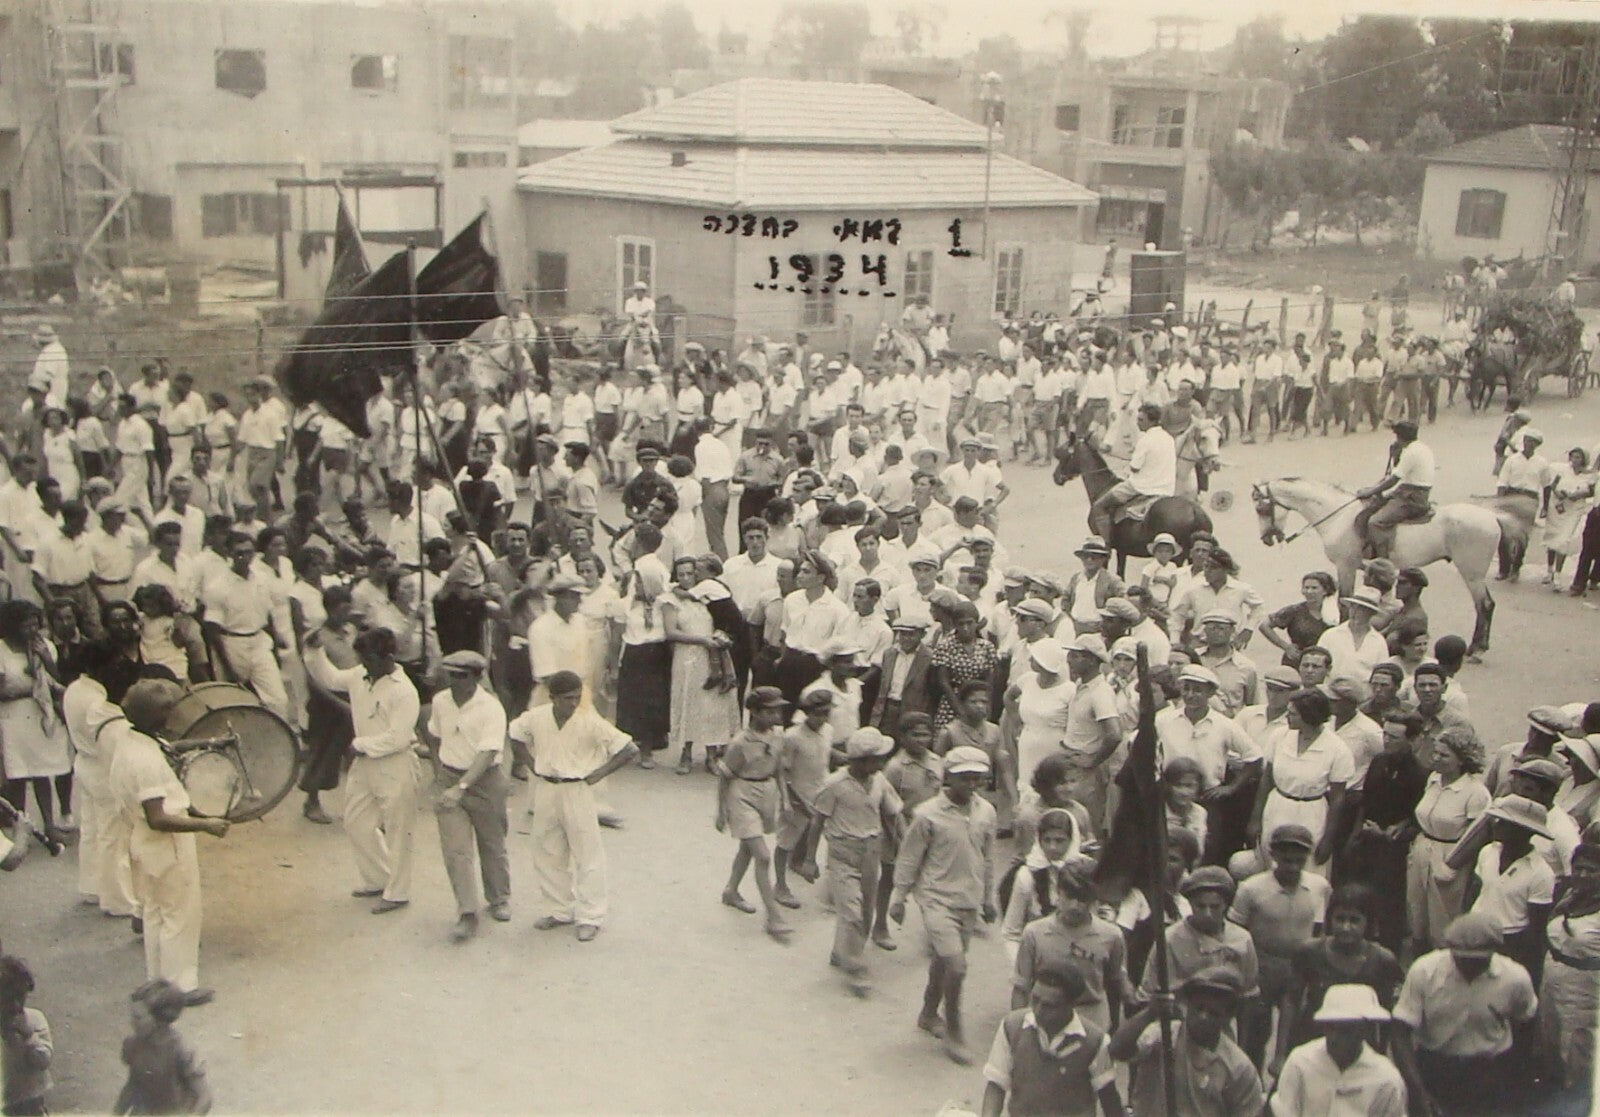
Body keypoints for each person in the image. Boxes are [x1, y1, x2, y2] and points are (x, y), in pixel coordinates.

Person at [108, 680, 229, 1005]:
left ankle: (157, 982)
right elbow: (158, 818)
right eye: (168, 708)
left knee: (156, 913)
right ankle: (181, 989)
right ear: (157, 715)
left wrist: (211, 742)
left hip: (143, 845)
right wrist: (206, 824)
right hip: (166, 843)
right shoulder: (145, 761)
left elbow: (169, 748)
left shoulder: (130, 740)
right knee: (181, 914)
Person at [506, 671, 638, 942]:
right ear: (553, 697)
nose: (573, 703)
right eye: (567, 698)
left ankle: (590, 916)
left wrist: (599, 773)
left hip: (576, 789)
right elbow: (515, 733)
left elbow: (628, 749)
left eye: (578, 697)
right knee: (546, 850)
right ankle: (559, 910)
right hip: (546, 788)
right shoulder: (537, 717)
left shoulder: (589, 720)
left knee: (587, 853)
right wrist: (529, 764)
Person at [889, 744, 997, 1064]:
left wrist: (988, 898)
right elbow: (909, 858)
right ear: (948, 777)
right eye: (965, 777)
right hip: (936, 899)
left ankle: (927, 1012)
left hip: (969, 900)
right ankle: (954, 1030)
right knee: (957, 966)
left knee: (944, 961)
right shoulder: (927, 814)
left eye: (978, 778)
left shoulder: (986, 812)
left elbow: (987, 858)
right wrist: (898, 897)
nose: (972, 784)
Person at [307, 626, 423, 916]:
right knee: (357, 823)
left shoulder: (404, 691)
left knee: (398, 831)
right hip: (364, 764)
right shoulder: (360, 675)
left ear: (388, 657)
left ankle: (397, 893)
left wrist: (360, 744)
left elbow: (397, 738)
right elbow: (331, 677)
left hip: (395, 764)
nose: (364, 666)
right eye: (362, 659)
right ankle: (377, 879)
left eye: (370, 660)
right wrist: (314, 651)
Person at [1391, 912, 1538, 1117]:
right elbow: (1400, 1030)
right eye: (1462, 959)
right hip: (1436, 1070)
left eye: (1478, 961)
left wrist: (1515, 1077)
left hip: (1490, 1074)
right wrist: (1418, 1091)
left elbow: (1526, 1020)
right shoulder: (1424, 971)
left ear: (1495, 951)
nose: (1469, 967)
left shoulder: (1515, 977)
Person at [800, 726, 901, 997]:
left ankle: (840, 951)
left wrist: (899, 848)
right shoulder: (835, 785)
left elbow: (891, 815)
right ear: (861, 760)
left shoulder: (879, 781)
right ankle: (855, 967)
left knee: (865, 911)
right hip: (842, 853)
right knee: (851, 912)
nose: (882, 763)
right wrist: (809, 859)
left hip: (871, 852)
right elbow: (818, 820)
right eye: (877, 758)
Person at [421, 650, 510, 944]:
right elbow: (433, 735)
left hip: (485, 781)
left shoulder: (491, 707)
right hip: (449, 777)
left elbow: (487, 753)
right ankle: (467, 912)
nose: (454, 681)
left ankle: (498, 898)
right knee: (456, 850)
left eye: (461, 676)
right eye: (450, 675)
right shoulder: (441, 702)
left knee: (492, 843)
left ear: (477, 676)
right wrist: (439, 773)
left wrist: (461, 787)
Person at [1230, 824, 1332, 1068]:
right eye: (1287, 860)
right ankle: (1250, 1082)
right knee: (1255, 1032)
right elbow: (1235, 931)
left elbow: (1319, 930)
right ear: (1273, 855)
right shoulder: (1251, 888)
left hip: (1299, 967)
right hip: (1261, 966)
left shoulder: (1319, 887)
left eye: (1299, 860)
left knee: (1296, 1035)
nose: (1293, 867)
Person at [1110, 966, 1264, 1117]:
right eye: (1199, 1008)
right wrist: (1150, 1012)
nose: (1203, 1017)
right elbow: (1117, 1050)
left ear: (1227, 1018)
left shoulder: (1239, 1068)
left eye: (1213, 1013)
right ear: (1188, 1005)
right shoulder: (1162, 1036)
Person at [980, 963, 1123, 1117]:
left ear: (1072, 1004)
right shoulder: (1012, 1027)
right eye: (1035, 1000)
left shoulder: (1095, 1041)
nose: (1038, 1010)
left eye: (1050, 1006)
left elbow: (1109, 1099)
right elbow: (996, 1085)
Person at [1013, 855, 1131, 1038]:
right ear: (1058, 892)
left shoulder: (1111, 936)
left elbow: (1118, 981)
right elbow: (1021, 987)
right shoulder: (1034, 933)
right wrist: (1017, 1033)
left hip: (1091, 1025)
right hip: (1046, 1021)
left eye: (1083, 898)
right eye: (1070, 896)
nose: (1075, 906)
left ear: (1095, 897)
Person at [715, 687, 793, 942]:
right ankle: (773, 916)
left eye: (778, 710)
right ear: (755, 713)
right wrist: (721, 810)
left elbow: (779, 769)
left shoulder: (778, 736)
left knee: (748, 848)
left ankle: (731, 891)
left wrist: (786, 801)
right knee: (762, 854)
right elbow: (725, 777)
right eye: (770, 711)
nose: (776, 715)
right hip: (743, 794)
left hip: (767, 792)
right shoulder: (740, 743)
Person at [1407, 727, 1491, 953]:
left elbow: (1478, 835)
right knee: (1417, 912)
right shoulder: (1433, 779)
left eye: (1444, 755)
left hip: (1452, 855)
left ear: (1462, 760)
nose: (1436, 758)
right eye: (1436, 752)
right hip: (1423, 849)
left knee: (1444, 916)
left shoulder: (1475, 792)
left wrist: (1451, 866)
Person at [1271, 983, 1406, 1117]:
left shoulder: (1386, 1079)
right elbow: (1284, 1111)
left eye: (1344, 1030)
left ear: (1365, 1031)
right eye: (1330, 1027)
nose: (1334, 1038)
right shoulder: (1300, 1062)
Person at [113, 979, 213, 1116]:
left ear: (160, 1020)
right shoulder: (133, 1045)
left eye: (138, 1018)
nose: (132, 1023)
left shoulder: (180, 1050)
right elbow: (133, 1084)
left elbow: (204, 1096)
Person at [1088, 404, 1175, 541]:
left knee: (1099, 506)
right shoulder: (1168, 438)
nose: (1137, 423)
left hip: (1143, 487)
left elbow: (1134, 468)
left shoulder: (1145, 440)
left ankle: (1106, 544)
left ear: (1152, 421)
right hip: (1167, 488)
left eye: (1141, 420)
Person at [1354, 420, 1434, 561]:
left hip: (1411, 497)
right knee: (1371, 506)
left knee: (1376, 522)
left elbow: (1393, 479)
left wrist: (1370, 492)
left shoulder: (1410, 453)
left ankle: (1383, 562)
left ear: (1399, 437)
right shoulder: (1421, 447)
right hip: (1408, 491)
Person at [0, 955, 52, 1117]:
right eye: (7, 1000)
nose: (16, 1005)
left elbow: (44, 1059)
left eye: (20, 997)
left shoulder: (34, 1020)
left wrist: (28, 1036)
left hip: (29, 1103)